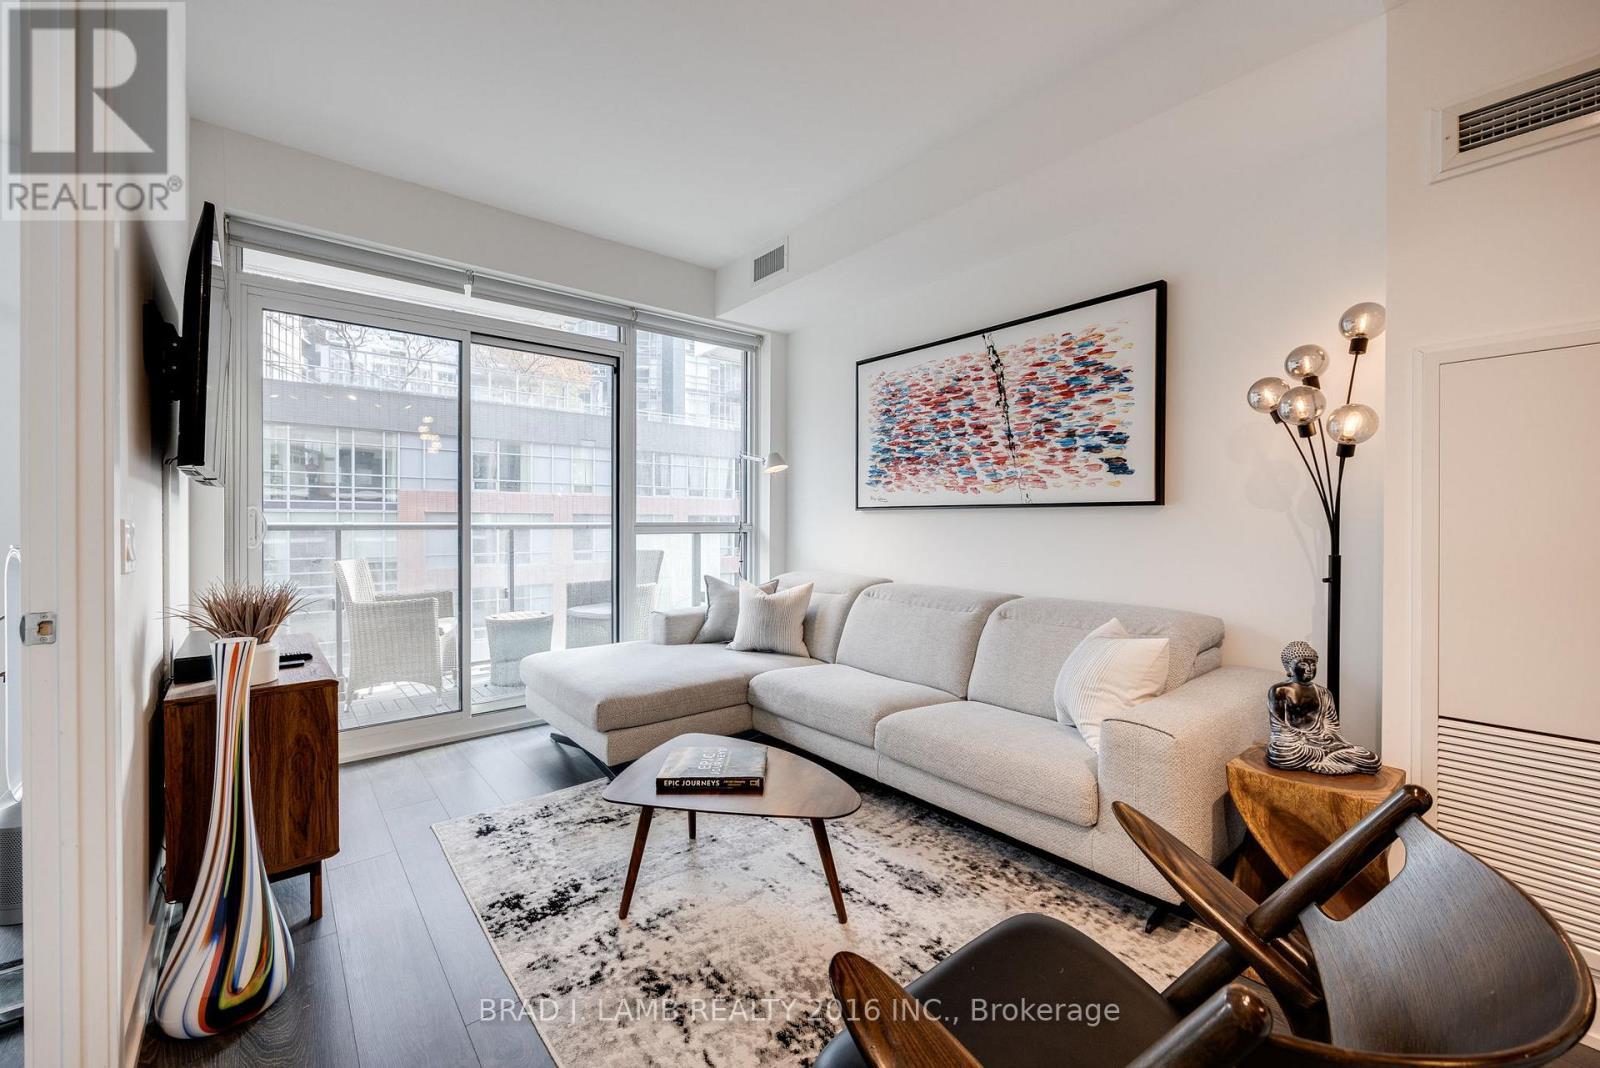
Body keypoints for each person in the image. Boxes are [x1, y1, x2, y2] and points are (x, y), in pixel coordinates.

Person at [1266, 641, 1381, 775]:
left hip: (1322, 744)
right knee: (1279, 754)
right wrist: (1309, 741)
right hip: (1293, 748)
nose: (1309, 669)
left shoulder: (1324, 693)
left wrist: (1333, 742)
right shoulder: (1279, 691)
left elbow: (1332, 727)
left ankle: (1325, 764)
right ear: (1289, 668)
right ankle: (1330, 764)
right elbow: (1279, 730)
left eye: (1313, 664)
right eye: (1303, 664)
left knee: (1372, 759)